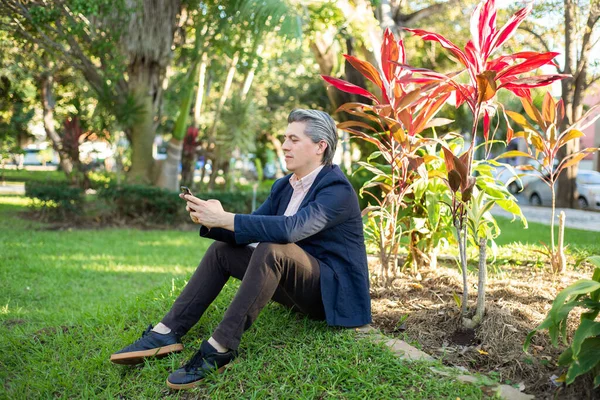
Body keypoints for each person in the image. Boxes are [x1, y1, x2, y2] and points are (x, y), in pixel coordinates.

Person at [109, 109, 372, 390]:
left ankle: (220, 347)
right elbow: (251, 232)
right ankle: (167, 332)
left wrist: (226, 218)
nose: (284, 146)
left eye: (294, 139)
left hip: (330, 294)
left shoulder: (337, 189)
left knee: (274, 247)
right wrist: (211, 218)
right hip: (296, 285)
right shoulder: (284, 186)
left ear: (321, 147)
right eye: (285, 138)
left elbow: (289, 230)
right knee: (222, 251)